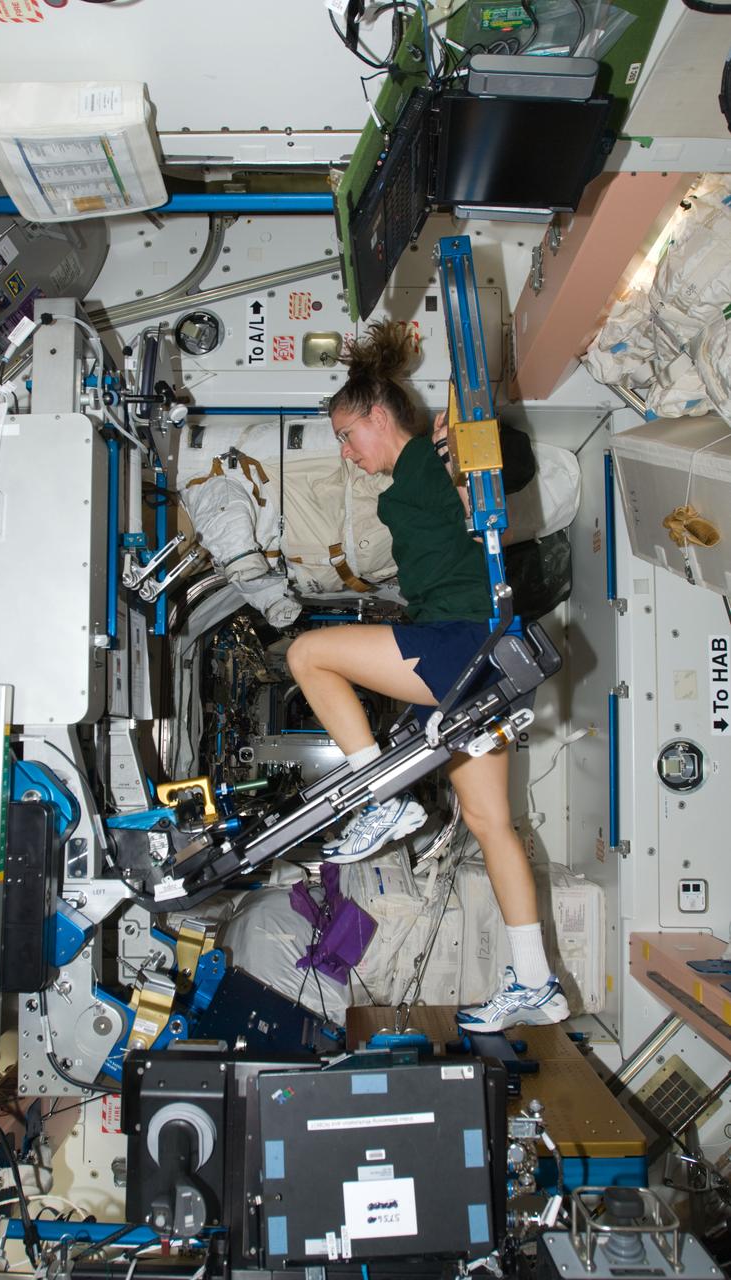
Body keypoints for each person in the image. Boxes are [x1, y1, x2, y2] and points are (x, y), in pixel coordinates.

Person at [285, 321, 568, 1033]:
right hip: (486, 658)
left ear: (381, 417)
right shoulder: (420, 475)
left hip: (462, 645)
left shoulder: (423, 463)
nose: (347, 453)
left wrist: (467, 437)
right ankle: (536, 983)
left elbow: (500, 454)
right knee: (488, 822)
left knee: (306, 657)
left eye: (350, 435)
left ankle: (379, 799)